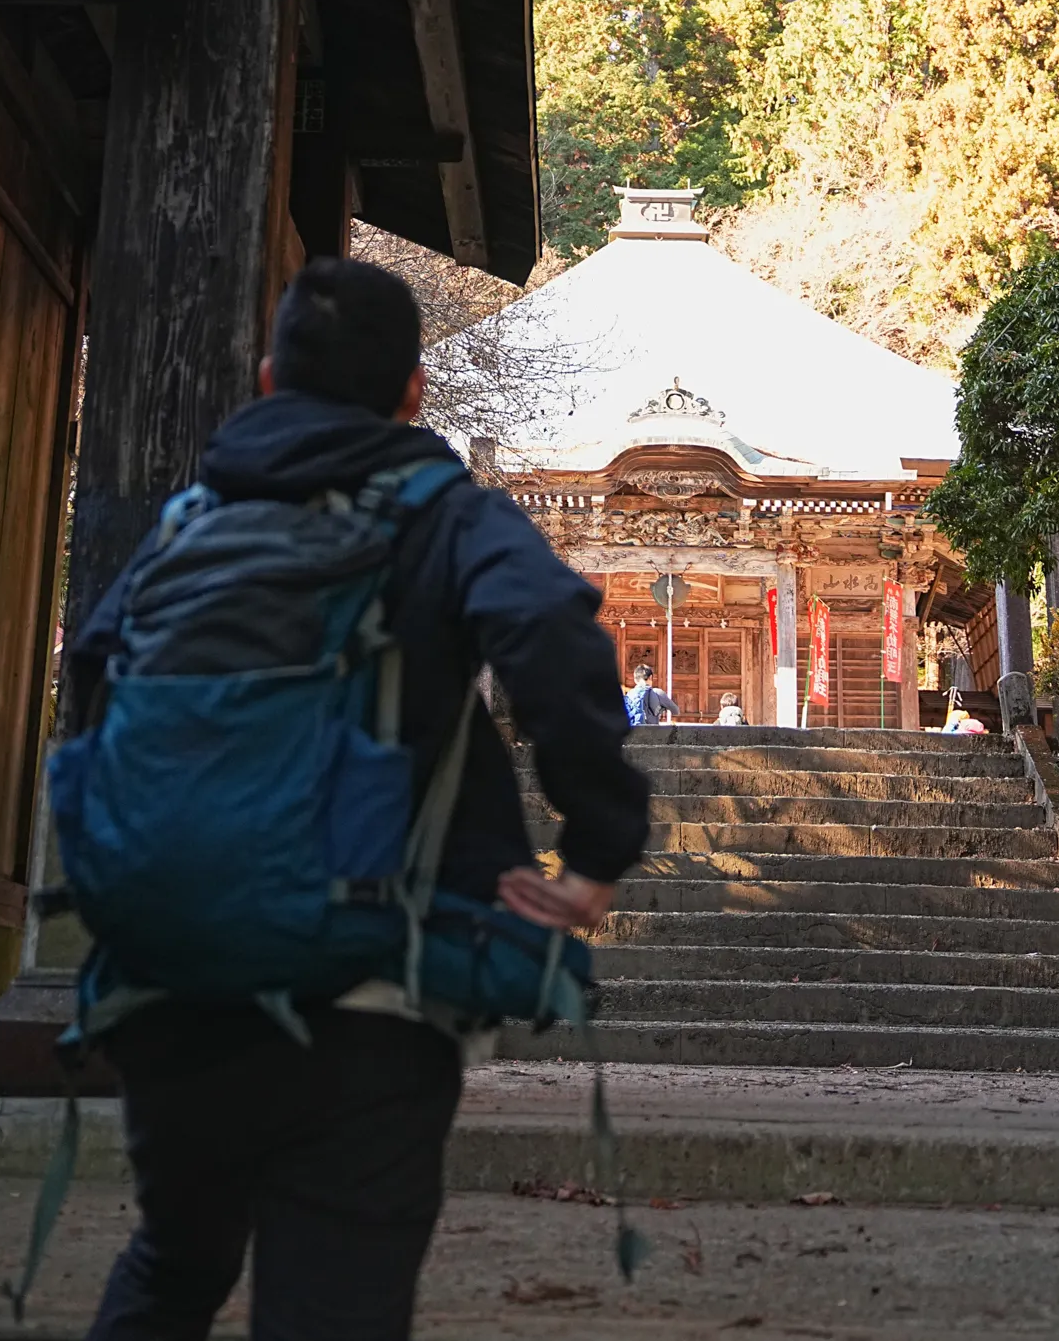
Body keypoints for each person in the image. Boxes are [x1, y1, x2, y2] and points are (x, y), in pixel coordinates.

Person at [71, 258, 650, 1341]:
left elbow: (94, 684)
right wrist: (598, 846)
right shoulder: (447, 513)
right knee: (334, 1302)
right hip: (373, 985)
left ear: (267, 375)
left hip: (173, 982)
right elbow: (550, 631)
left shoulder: (187, 526)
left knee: (170, 1265)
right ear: (416, 389)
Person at [624, 660, 677, 727]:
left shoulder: (629, 694)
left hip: (631, 733)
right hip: (650, 733)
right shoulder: (656, 692)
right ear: (651, 677)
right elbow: (675, 710)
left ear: (635, 680)